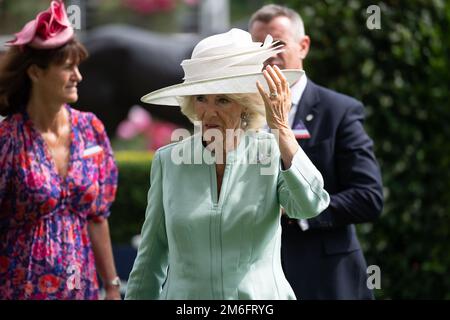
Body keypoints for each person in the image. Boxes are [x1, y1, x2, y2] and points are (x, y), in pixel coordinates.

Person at [125, 28, 330, 300]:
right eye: (201, 98)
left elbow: (310, 205)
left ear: (245, 105)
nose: (209, 112)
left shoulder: (271, 153)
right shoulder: (168, 160)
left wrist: (281, 129)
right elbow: (151, 256)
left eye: (222, 100)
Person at [249, 4, 384, 299]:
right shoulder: (239, 115)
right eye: (258, 46)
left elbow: (368, 197)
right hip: (254, 282)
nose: (268, 53)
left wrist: (297, 211)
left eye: (278, 43)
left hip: (325, 279)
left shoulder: (339, 111)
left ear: (304, 46)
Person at [0, 1, 120, 300]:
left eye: (77, 67)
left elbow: (97, 217)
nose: (78, 76)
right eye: (67, 67)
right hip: (20, 290)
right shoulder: (8, 139)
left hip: (83, 289)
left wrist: (113, 286)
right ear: (35, 73)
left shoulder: (91, 129)